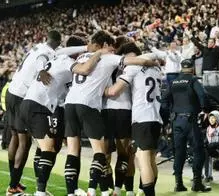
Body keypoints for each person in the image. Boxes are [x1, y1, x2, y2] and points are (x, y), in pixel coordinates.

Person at [64, 30, 160, 196]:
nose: (113, 50)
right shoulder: (118, 61)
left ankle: (105, 189)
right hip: (125, 110)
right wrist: (150, 60)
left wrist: (97, 90)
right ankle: (122, 189)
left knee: (106, 153)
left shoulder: (90, 58)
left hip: (103, 108)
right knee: (124, 154)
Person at [19, 35, 89, 196]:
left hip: (33, 103)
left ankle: (41, 189)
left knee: (49, 148)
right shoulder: (67, 61)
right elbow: (81, 71)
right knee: (48, 149)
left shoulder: (58, 56)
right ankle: (40, 192)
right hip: (39, 105)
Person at [104, 45, 164, 196]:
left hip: (142, 118)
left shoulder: (134, 68)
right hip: (156, 117)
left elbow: (114, 91)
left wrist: (97, 89)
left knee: (142, 160)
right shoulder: (156, 70)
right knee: (150, 159)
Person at [162, 59, 211, 192]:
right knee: (198, 150)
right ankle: (197, 183)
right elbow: (203, 95)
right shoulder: (193, 80)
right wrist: (205, 110)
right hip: (190, 121)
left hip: (176, 121)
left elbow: (164, 100)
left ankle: (178, 183)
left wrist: (167, 119)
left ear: (181, 68)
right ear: (192, 69)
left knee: (179, 152)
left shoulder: (173, 82)